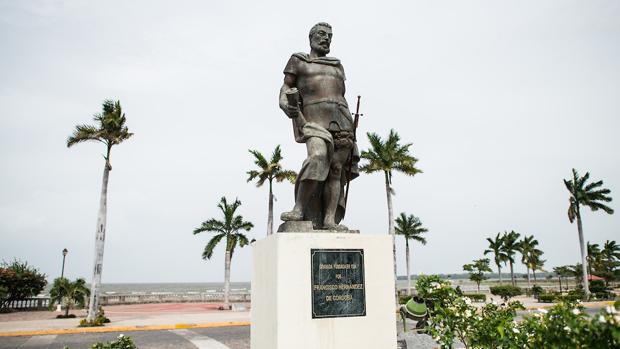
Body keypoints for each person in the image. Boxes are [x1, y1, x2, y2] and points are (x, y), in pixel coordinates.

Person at [279, 22, 359, 231]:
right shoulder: (299, 61)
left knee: (335, 170)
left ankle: (329, 220)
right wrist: (284, 103)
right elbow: (287, 86)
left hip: (341, 120)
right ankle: (298, 209)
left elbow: (340, 94)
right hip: (313, 121)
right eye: (322, 34)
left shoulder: (336, 65)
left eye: (330, 36)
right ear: (311, 37)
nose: (326, 39)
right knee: (317, 157)